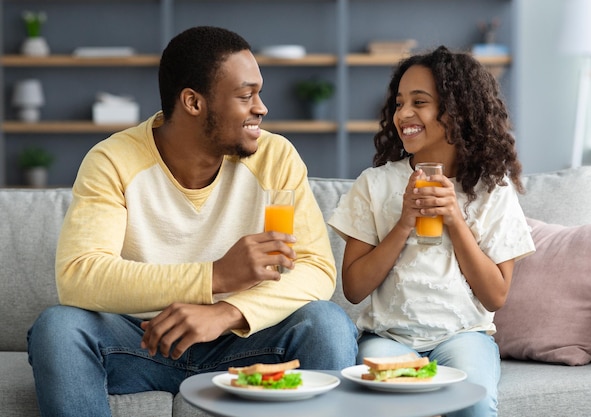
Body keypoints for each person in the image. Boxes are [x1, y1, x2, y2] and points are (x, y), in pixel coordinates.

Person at [27, 26, 357, 416]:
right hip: (143, 344)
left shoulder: (276, 157)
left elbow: (316, 268)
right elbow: (79, 275)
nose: (261, 107)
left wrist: (226, 312)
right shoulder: (113, 161)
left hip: (245, 344)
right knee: (59, 328)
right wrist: (214, 276)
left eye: (259, 93)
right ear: (193, 102)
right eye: (245, 95)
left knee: (327, 323)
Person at [327, 46, 535, 417]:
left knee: (474, 405)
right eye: (399, 103)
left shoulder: (492, 189)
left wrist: (455, 220)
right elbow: (354, 288)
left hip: (464, 337)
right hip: (387, 339)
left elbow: (495, 296)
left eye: (419, 102)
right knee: (385, 402)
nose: (403, 114)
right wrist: (405, 221)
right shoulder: (375, 184)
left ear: (458, 112)